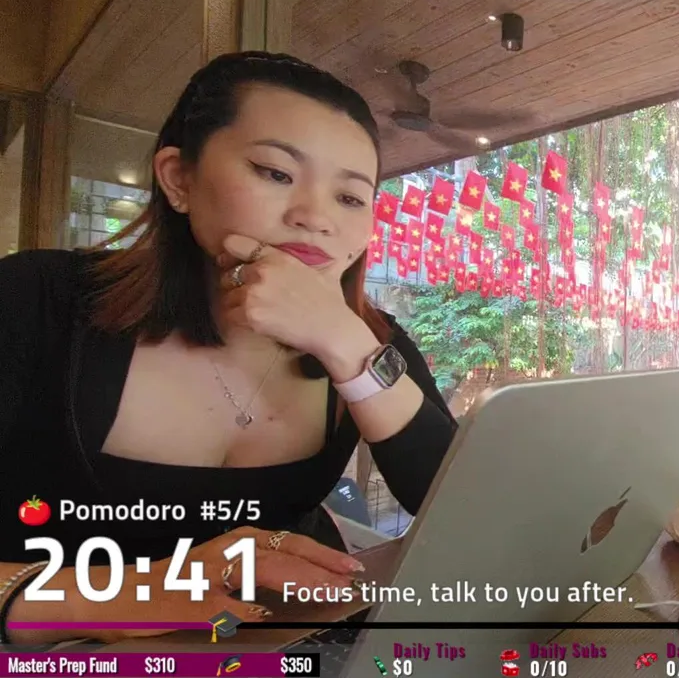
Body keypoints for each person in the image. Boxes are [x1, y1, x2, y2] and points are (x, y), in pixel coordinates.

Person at [0, 52, 457, 645]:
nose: (316, 218)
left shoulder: (373, 342)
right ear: (178, 179)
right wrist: (118, 595)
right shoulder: (36, 300)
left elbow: (472, 512)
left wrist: (347, 347)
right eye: (275, 172)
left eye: (350, 198)